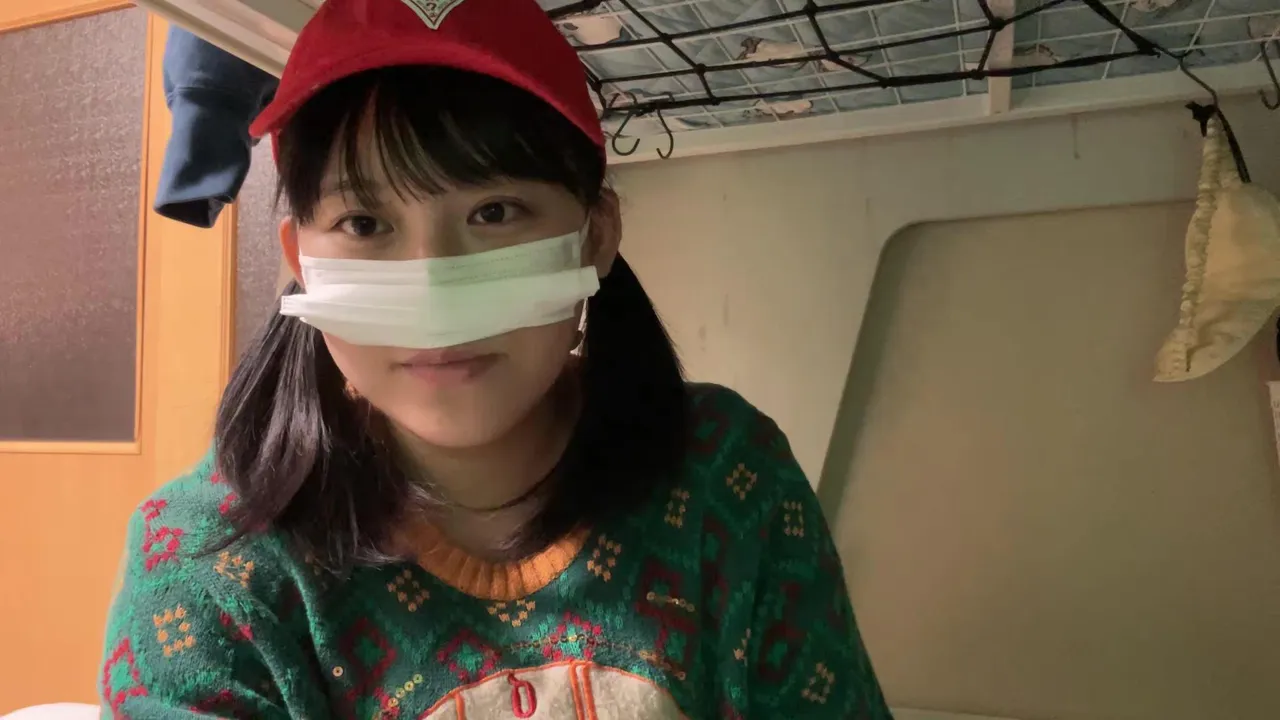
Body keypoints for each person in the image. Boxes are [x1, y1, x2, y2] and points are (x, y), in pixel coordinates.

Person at [98, 0, 891, 717]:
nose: (435, 288)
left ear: (595, 235)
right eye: (365, 224)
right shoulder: (209, 563)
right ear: (300, 260)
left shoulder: (726, 477)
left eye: (494, 211)